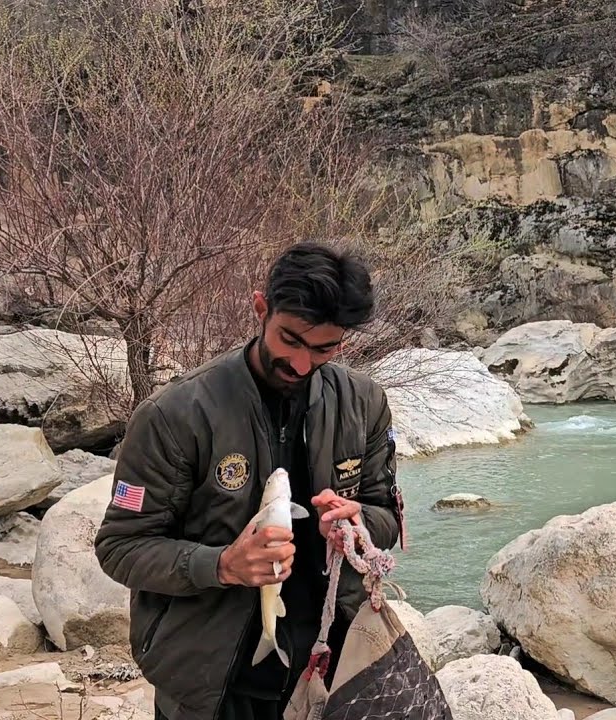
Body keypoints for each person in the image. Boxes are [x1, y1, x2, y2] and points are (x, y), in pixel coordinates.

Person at [95, 242, 406, 720]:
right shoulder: (175, 415)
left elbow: (386, 517)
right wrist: (222, 565)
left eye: (324, 348)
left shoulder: (363, 403)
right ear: (261, 308)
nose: (302, 365)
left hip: (333, 671)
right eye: (290, 340)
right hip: (212, 681)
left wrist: (358, 523)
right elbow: (121, 548)